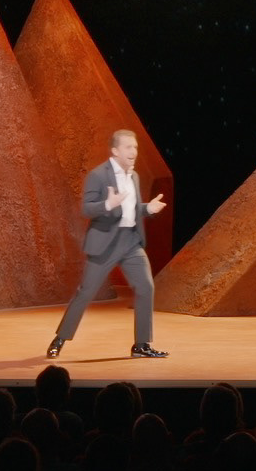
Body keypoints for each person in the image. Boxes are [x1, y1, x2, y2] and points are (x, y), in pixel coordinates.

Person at [47, 130, 168, 359]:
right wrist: (107, 204)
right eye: (128, 147)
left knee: (146, 287)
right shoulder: (98, 175)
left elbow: (132, 209)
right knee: (86, 292)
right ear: (115, 151)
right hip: (105, 243)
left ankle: (141, 345)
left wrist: (148, 209)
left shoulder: (134, 176)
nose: (134, 151)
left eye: (135, 147)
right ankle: (60, 338)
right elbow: (87, 208)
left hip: (130, 242)